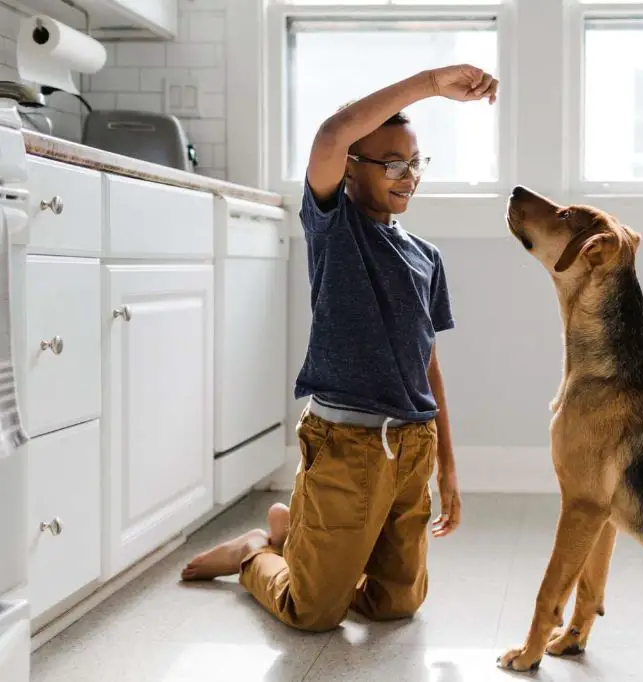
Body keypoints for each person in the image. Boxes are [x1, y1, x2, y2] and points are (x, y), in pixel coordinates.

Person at [180, 64, 499, 632]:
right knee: (311, 613)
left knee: (398, 604)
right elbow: (331, 134)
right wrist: (430, 84)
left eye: (415, 161)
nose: (408, 176)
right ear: (349, 167)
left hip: (411, 446)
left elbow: (428, 363)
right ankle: (258, 551)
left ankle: (294, 533)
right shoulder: (333, 227)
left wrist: (448, 467)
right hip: (347, 446)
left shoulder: (427, 257)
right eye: (391, 163)